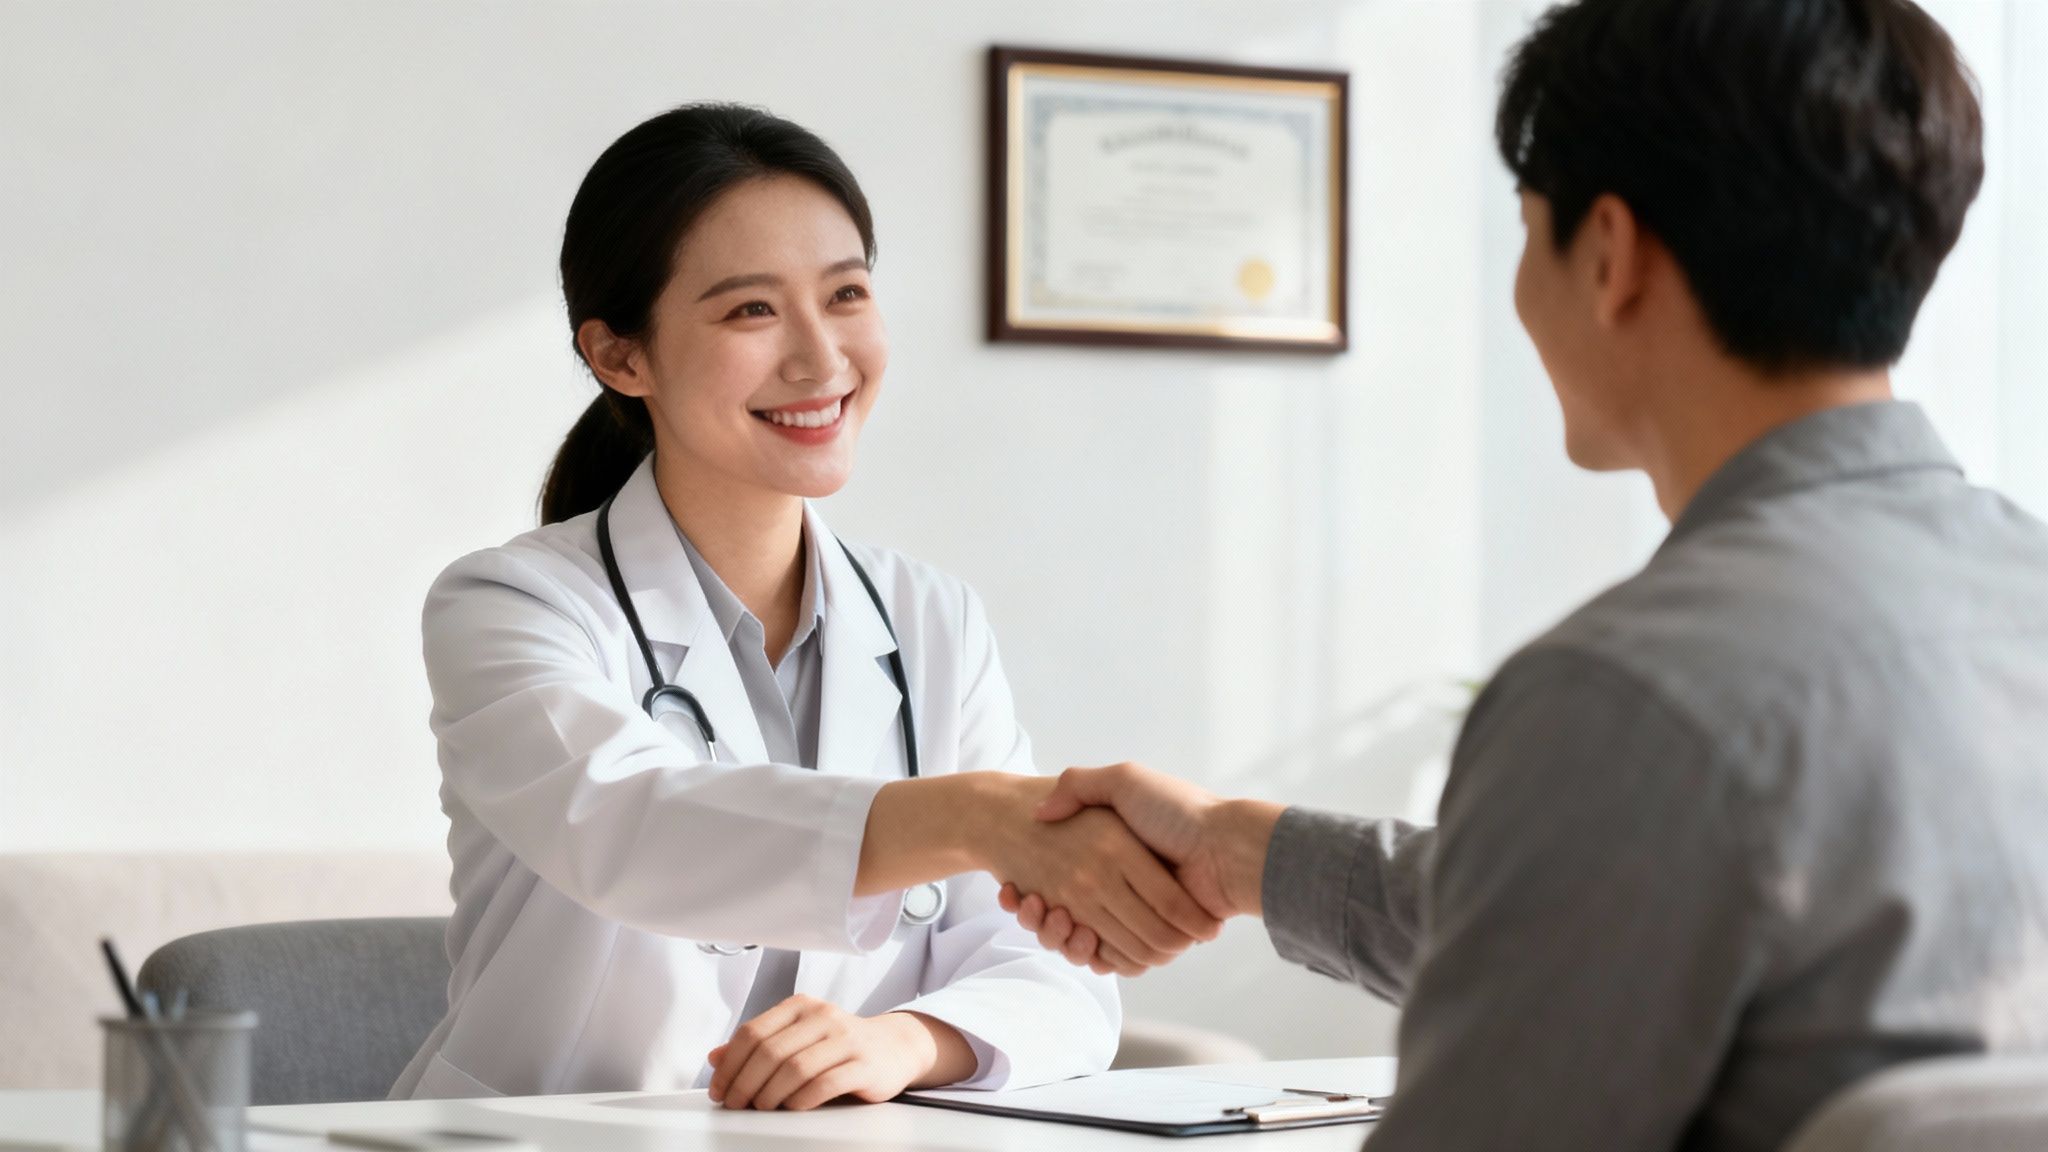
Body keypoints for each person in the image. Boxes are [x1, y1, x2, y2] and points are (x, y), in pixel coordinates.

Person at [1001, 1, 2048, 1148]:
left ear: (1607, 254)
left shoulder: (1628, 696)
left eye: (1524, 227)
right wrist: (1242, 849)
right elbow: (1616, 909)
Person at [391, 104, 1218, 1109]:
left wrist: (907, 1041)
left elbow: (1051, 970)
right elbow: (632, 828)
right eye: (750, 311)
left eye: (846, 294)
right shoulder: (510, 605)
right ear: (620, 357)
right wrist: (975, 816)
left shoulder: (930, 618)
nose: (820, 358)